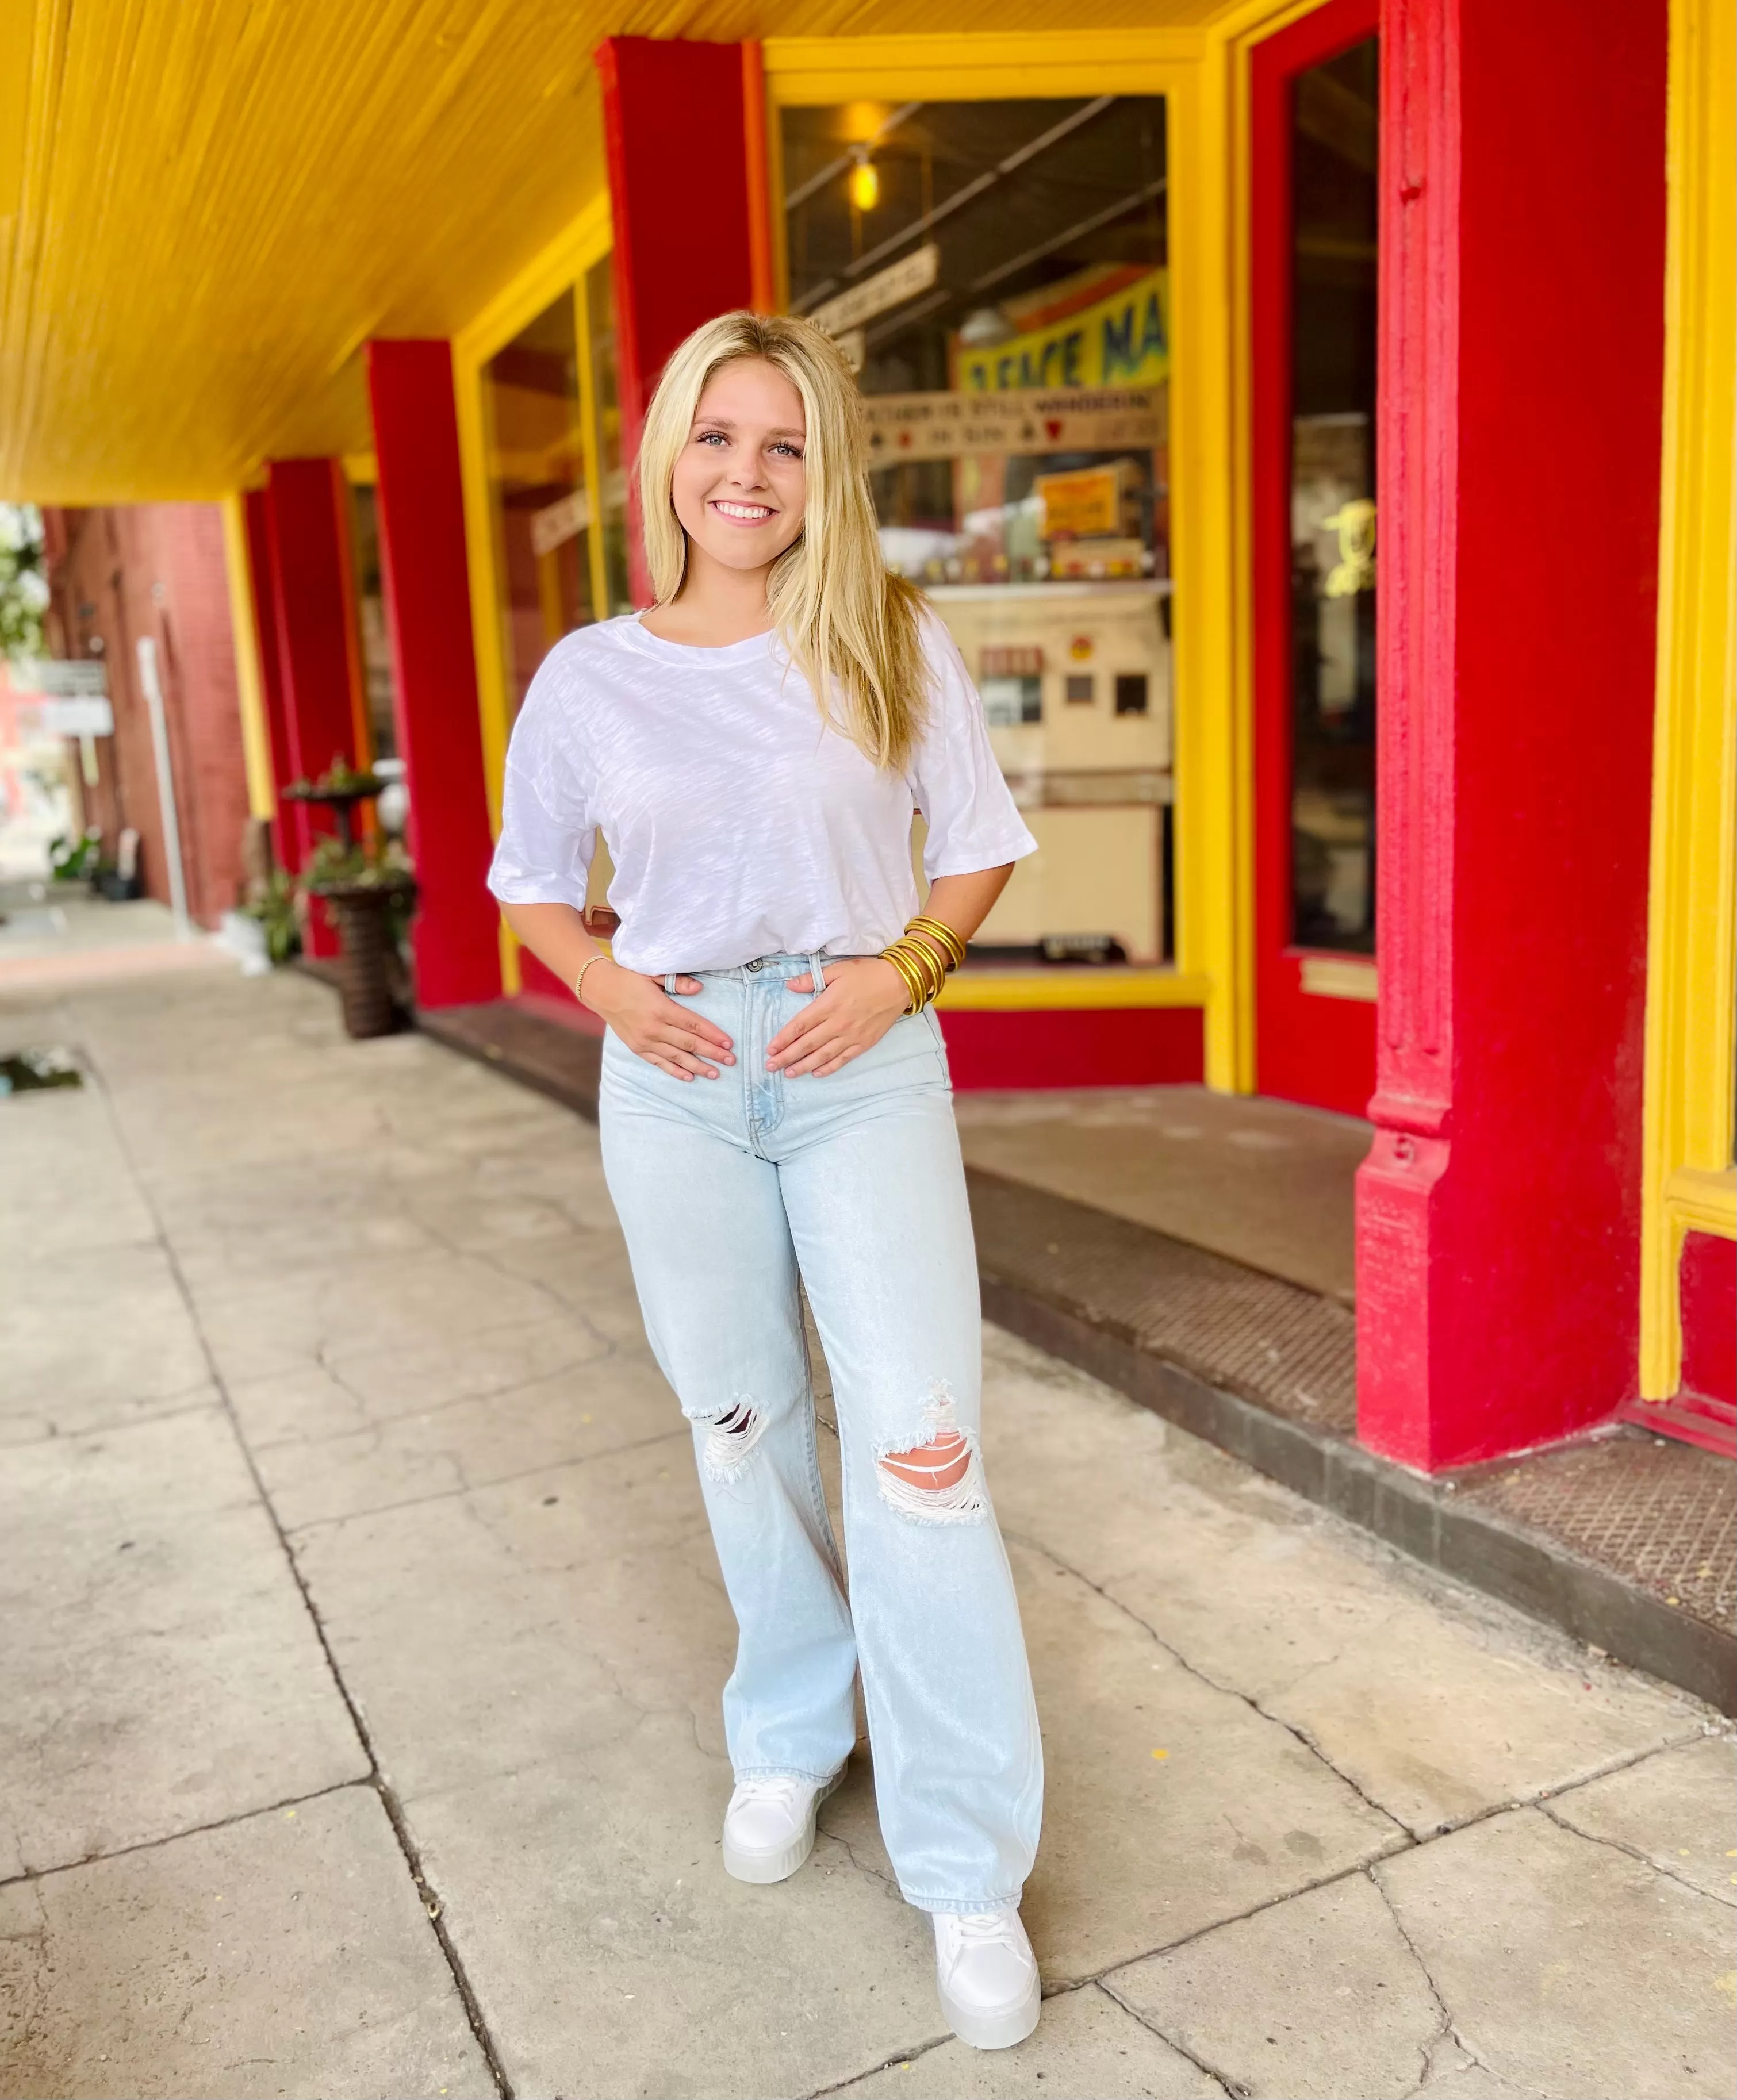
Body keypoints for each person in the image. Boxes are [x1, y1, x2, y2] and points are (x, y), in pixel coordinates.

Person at [488, 310, 1045, 2051]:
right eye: (717, 437)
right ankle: (795, 1726)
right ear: (666, 454)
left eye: (785, 444)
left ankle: (965, 1865)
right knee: (741, 1426)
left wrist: (899, 974)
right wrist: (620, 995)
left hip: (858, 1057)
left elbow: (972, 851)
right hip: (674, 1085)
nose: (747, 473)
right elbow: (527, 889)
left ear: (824, 474)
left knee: (920, 1447)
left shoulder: (888, 633)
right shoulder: (591, 672)